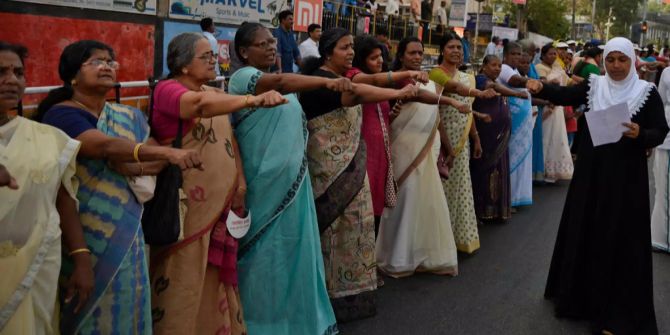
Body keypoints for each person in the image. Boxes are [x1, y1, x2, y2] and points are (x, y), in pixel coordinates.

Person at [36, 40, 200, 334]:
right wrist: (164, 153)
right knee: (84, 308)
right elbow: (106, 146)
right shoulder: (60, 115)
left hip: (128, 233)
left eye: (111, 62)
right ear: (73, 74)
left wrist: (131, 163)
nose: (107, 67)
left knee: (130, 302)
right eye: (97, 61)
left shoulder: (127, 117)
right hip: (83, 233)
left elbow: (146, 155)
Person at [149, 32, 286, 335]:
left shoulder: (211, 92)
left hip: (219, 207)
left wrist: (239, 182)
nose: (214, 61)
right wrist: (253, 99)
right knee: (184, 275)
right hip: (187, 210)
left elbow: (229, 139)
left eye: (214, 56)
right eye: (206, 57)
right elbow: (197, 106)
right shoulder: (168, 91)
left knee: (214, 278)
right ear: (183, 65)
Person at [527, 37, 667, 335]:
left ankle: (616, 308)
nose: (616, 66)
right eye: (611, 59)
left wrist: (641, 133)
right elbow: (565, 95)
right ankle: (580, 300)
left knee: (621, 237)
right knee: (587, 228)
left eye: (622, 60)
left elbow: (659, 130)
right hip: (591, 175)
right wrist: (541, 87)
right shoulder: (594, 86)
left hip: (626, 181)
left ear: (632, 61)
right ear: (605, 61)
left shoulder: (646, 92)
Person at [228, 23, 352, 335]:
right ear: (244, 52)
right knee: (264, 258)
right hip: (264, 186)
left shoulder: (286, 84)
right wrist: (326, 83)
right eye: (262, 44)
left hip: (294, 184)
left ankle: (299, 321)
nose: (271, 47)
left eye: (273, 42)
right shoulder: (243, 77)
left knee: (297, 253)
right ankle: (261, 323)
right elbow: (281, 80)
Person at [299, 27, 420, 322]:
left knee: (356, 230)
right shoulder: (323, 83)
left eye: (352, 46)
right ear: (328, 53)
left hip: (353, 169)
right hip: (328, 173)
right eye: (344, 47)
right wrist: (399, 90)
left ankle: (352, 293)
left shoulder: (342, 78)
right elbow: (359, 92)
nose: (350, 52)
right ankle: (328, 298)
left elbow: (369, 82)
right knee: (333, 233)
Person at [0, 41, 93, 334]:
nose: (12, 80)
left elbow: (63, 199)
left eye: (18, 72)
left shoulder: (46, 138)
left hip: (39, 265)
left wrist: (81, 259)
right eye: (1, 72)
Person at [375, 36, 467, 277]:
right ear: (401, 55)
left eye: (420, 53)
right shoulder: (394, 80)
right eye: (412, 53)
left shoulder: (427, 80)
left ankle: (421, 254)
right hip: (401, 147)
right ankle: (397, 257)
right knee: (403, 199)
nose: (416, 57)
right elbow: (388, 116)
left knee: (424, 200)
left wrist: (446, 147)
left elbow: (435, 119)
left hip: (427, 148)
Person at [429, 32, 482, 253]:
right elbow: (435, 112)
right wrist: (448, 147)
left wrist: (476, 138)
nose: (456, 51)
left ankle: (458, 238)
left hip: (462, 145)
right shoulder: (435, 75)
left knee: (460, 189)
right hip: (441, 142)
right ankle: (439, 241)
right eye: (451, 47)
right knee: (440, 190)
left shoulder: (467, 76)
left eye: (459, 48)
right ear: (442, 50)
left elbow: (468, 112)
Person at [471, 55, 528, 221]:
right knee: (484, 172)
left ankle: (497, 210)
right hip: (487, 136)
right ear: (484, 66)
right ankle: (482, 211)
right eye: (493, 65)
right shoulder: (481, 80)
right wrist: (517, 94)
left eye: (499, 66)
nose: (497, 68)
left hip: (499, 137)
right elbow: (493, 87)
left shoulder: (495, 81)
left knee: (499, 171)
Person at [497, 41, 533, 208]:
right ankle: (508, 199)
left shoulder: (517, 71)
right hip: (513, 124)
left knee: (521, 162)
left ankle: (516, 197)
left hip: (522, 125)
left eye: (520, 54)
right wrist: (529, 83)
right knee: (511, 161)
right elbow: (514, 82)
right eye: (514, 54)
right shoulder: (506, 70)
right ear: (506, 56)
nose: (517, 57)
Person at [535, 43, 574, 183]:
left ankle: (555, 170)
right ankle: (543, 170)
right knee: (545, 137)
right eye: (550, 54)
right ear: (543, 55)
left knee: (557, 136)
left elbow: (569, 81)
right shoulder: (539, 68)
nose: (553, 56)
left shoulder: (558, 68)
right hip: (546, 106)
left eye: (554, 54)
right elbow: (542, 86)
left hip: (557, 107)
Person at [651, 65, 670, 253]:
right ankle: (660, 237)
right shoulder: (667, 72)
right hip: (667, 140)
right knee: (663, 187)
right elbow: (662, 101)